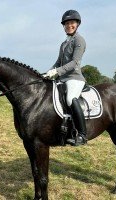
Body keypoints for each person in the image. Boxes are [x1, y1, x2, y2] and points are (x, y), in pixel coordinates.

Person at [45, 10, 87, 146]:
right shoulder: (63, 44)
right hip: (62, 79)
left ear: (77, 24)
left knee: (70, 99)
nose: (69, 25)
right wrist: (48, 72)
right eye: (67, 23)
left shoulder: (79, 40)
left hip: (74, 78)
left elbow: (75, 62)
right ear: (64, 26)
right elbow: (58, 62)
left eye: (72, 23)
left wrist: (57, 71)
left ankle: (82, 134)